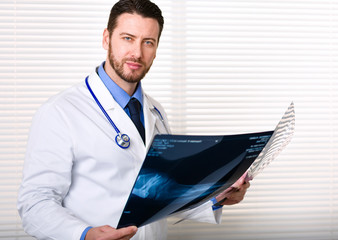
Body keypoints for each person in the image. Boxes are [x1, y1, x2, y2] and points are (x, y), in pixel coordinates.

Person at [17, 0, 250, 239]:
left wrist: (216, 197)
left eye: (148, 42)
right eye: (127, 38)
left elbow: (162, 192)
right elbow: (35, 203)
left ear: (156, 48)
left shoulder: (155, 111)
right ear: (107, 38)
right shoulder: (60, 112)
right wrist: (84, 234)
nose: (137, 53)